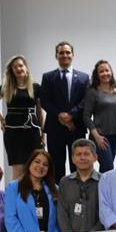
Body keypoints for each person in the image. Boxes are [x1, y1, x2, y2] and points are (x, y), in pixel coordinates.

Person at [0, 55, 44, 180]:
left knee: (35, 168)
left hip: (32, 131)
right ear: (12, 71)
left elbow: (39, 111)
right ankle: (17, 198)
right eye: (15, 67)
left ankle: (34, 199)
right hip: (13, 132)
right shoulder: (6, 87)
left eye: (20, 65)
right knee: (18, 169)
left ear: (26, 68)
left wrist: (43, 132)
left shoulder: (36, 87)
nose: (18, 69)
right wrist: (1, 119)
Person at [40, 42, 89, 181]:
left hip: (76, 127)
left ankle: (79, 197)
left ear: (73, 55)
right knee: (56, 166)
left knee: (79, 163)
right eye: (61, 52)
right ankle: (57, 199)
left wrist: (71, 115)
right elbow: (45, 101)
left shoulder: (84, 78)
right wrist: (60, 115)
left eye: (68, 52)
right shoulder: (48, 77)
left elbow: (86, 101)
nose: (65, 55)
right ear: (56, 56)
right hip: (55, 128)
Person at [83, 59, 116, 173]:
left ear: (111, 72)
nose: (105, 73)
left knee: (109, 169)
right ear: (97, 75)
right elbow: (86, 116)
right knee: (108, 167)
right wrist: (96, 137)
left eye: (107, 70)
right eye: (101, 72)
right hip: (100, 137)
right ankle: (101, 190)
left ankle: (104, 190)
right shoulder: (93, 92)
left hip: (114, 138)